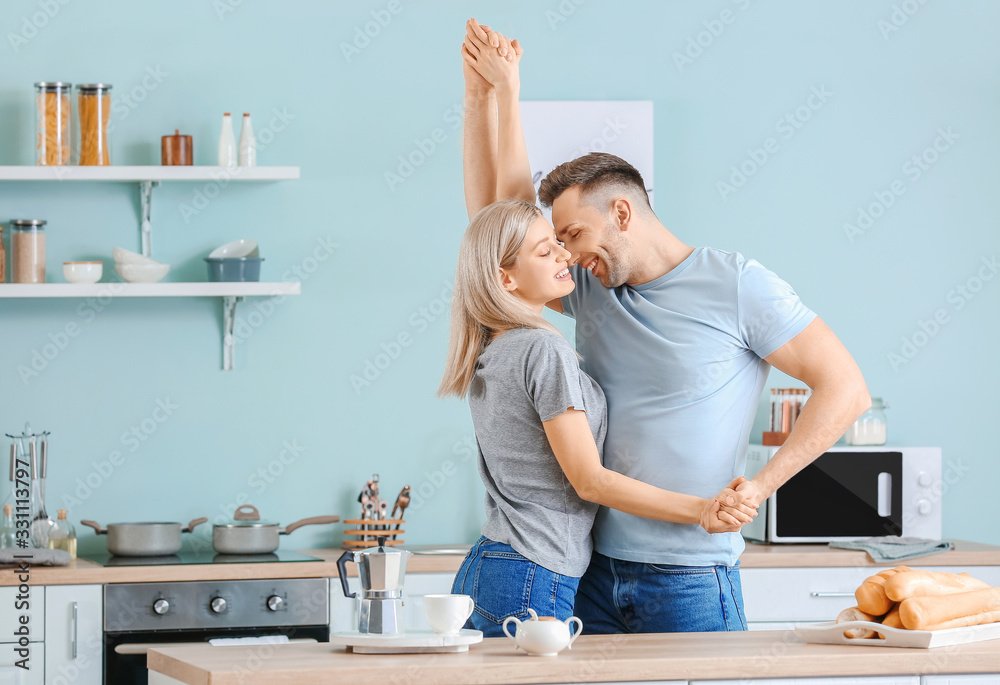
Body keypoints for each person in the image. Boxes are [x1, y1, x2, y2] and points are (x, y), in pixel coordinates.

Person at [460, 18, 871, 634]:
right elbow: (508, 226)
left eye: (573, 235)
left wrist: (757, 488)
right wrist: (502, 93)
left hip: (692, 577)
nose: (566, 253)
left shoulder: (737, 284)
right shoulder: (592, 287)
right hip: (593, 571)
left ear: (621, 213)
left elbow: (846, 389)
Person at [439, 24, 758, 638]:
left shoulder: (499, 339)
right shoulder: (543, 347)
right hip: (535, 574)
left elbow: (497, 221)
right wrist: (704, 510)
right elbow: (589, 480)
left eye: (566, 242)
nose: (563, 255)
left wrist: (494, 95)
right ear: (507, 277)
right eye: (548, 250)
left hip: (512, 565)